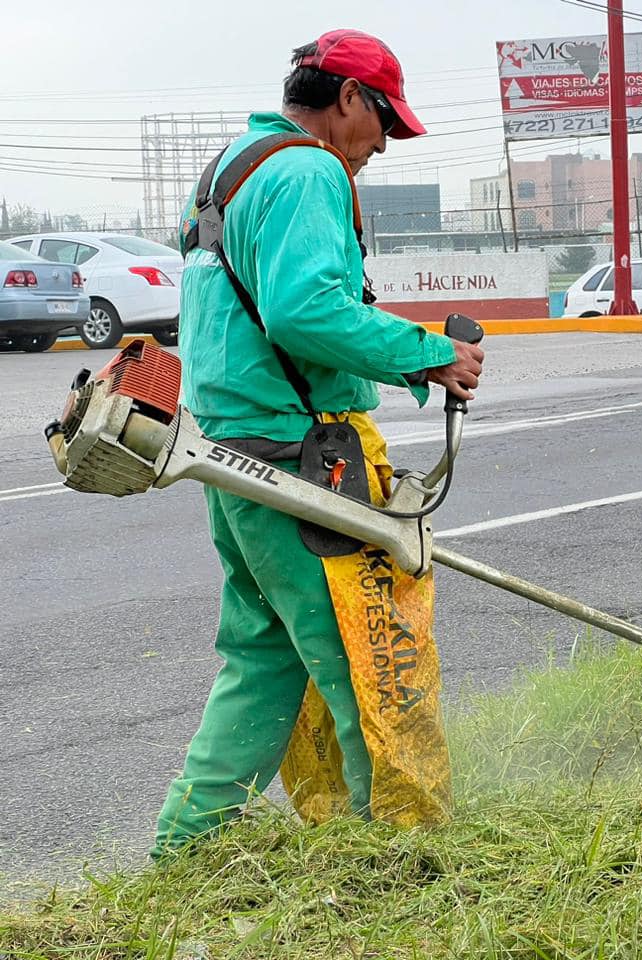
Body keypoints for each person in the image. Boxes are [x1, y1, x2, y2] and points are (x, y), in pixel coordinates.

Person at [152, 29, 483, 858]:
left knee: (261, 663)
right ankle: (401, 858)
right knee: (368, 663)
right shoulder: (308, 169)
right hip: (301, 464)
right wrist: (432, 355)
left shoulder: (236, 164)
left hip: (234, 460)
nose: (383, 147)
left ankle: (182, 852)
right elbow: (304, 312)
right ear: (347, 101)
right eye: (384, 126)